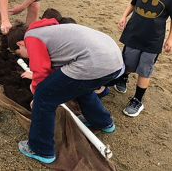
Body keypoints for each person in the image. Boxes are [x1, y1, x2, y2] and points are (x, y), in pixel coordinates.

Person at [7, 19, 124, 164]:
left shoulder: (31, 38)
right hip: (115, 62)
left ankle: (41, 149)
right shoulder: (49, 31)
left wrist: (37, 96)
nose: (24, 57)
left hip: (94, 62)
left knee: (44, 96)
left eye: (20, 54)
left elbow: (42, 72)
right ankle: (103, 122)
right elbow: (57, 69)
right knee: (81, 87)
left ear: (20, 44)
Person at [115, 0, 172, 117]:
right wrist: (124, 16)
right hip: (133, 34)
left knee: (145, 70)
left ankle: (137, 100)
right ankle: (123, 78)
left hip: (153, 41)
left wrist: (171, 38)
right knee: (128, 63)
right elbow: (133, 3)